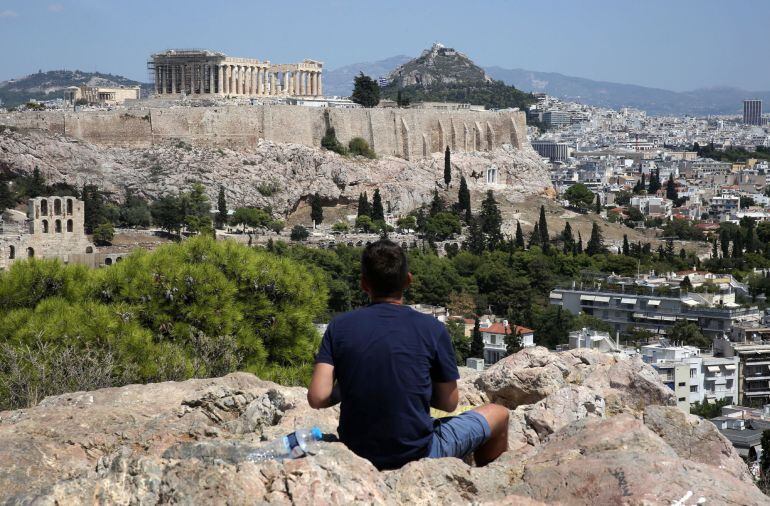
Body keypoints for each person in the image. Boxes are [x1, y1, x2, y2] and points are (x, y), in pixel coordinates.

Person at [308, 239, 509, 470]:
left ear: (364, 284)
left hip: (357, 454)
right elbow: (449, 402)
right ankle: (484, 479)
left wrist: (350, 385)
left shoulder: (339, 327)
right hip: (418, 453)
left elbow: (317, 397)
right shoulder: (432, 328)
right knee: (499, 414)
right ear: (408, 280)